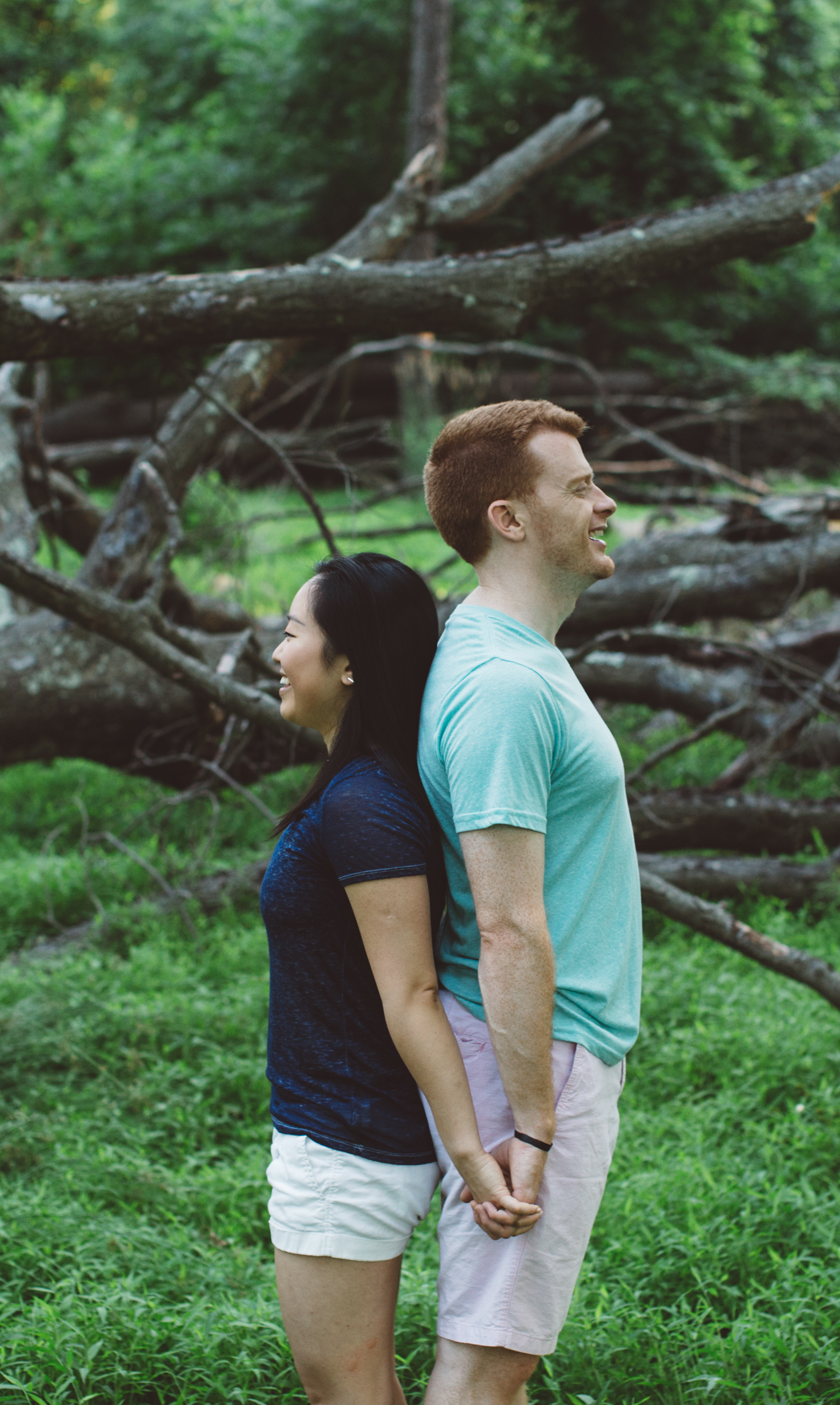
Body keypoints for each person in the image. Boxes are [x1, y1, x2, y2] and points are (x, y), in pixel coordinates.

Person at [260, 551, 542, 1405]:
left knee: (346, 1394)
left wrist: (468, 1156)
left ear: (348, 663)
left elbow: (411, 989)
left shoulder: (364, 801)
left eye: (291, 632)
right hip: (350, 1131)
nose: (277, 653)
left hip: (346, 1143)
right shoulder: (372, 786)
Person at [415, 401, 640, 1404]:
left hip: (535, 1048)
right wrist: (537, 1125)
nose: (605, 500)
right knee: (485, 1364)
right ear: (509, 518)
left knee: (492, 1353)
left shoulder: (507, 653)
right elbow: (506, 920)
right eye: (578, 485)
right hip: (531, 1058)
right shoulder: (505, 684)